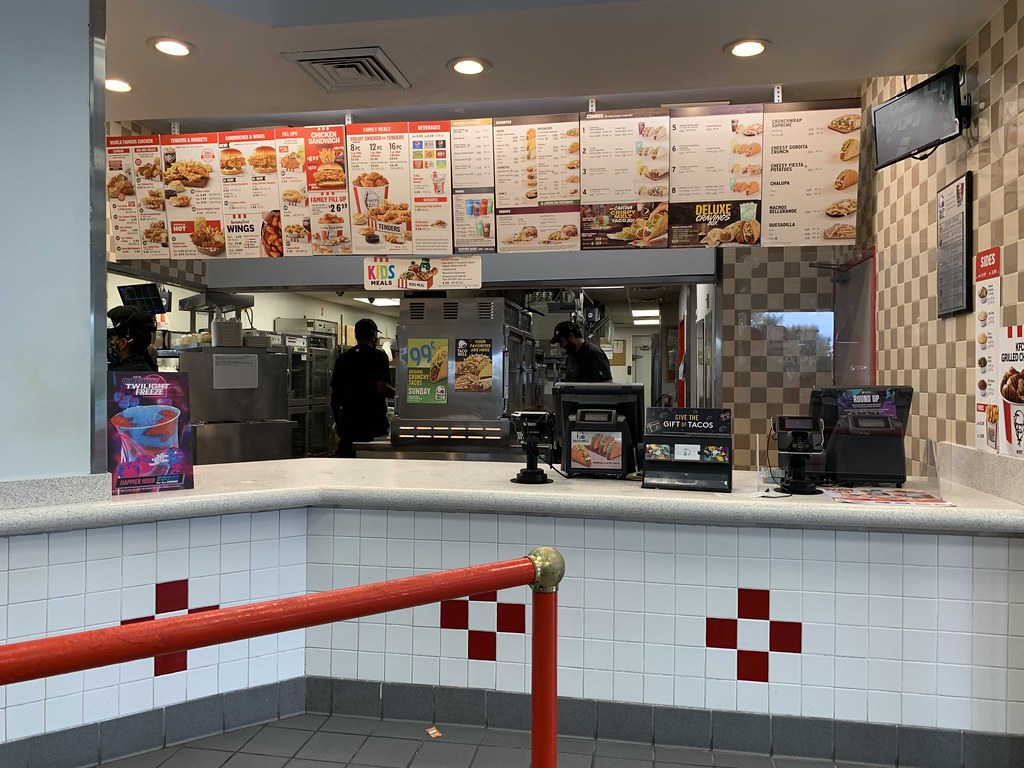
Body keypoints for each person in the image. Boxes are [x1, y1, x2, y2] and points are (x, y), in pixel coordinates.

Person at [331, 318, 395, 458]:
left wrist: (339, 422)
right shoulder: (379, 357)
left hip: (349, 425)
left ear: (356, 335)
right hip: (373, 426)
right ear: (373, 334)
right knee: (373, 471)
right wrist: (402, 396)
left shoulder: (342, 358)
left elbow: (335, 396)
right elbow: (382, 388)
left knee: (346, 471)